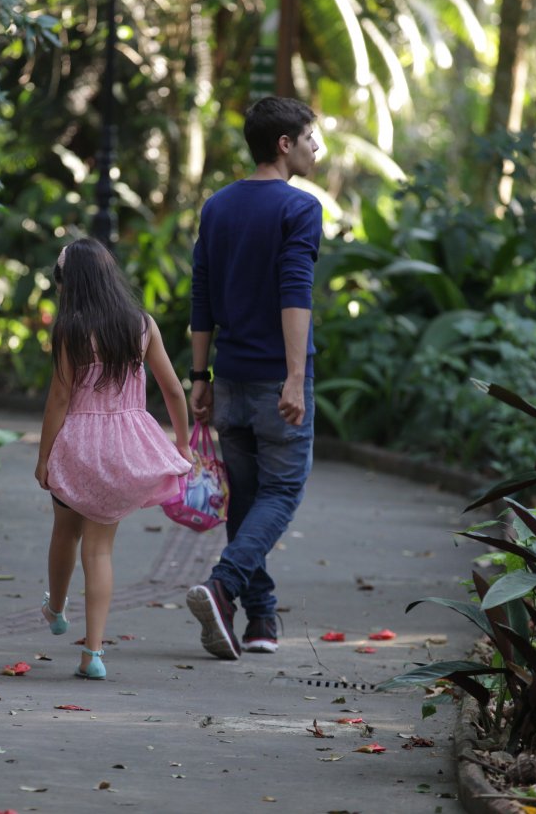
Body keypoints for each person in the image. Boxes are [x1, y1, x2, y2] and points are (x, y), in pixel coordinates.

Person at [186, 96, 322, 660]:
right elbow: (295, 292)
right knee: (283, 489)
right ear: (284, 144)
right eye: (312, 138)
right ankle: (223, 586)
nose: (318, 149)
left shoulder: (217, 206)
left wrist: (200, 374)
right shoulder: (300, 207)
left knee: (245, 496)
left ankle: (260, 619)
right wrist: (295, 377)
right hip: (273, 379)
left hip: (231, 377)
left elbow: (202, 295)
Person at [34, 238, 192, 680]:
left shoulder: (70, 330)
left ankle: (58, 608)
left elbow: (59, 398)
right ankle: (94, 654)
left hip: (77, 445)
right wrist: (182, 443)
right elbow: (174, 389)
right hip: (123, 448)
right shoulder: (141, 325)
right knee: (100, 550)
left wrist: (44, 458)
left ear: (71, 284)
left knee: (65, 532)